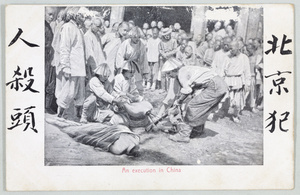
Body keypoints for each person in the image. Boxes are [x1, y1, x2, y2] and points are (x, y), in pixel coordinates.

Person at [161, 63, 228, 143]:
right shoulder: (185, 69)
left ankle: (183, 135)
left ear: (174, 70)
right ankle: (197, 129)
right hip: (218, 84)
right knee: (201, 107)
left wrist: (178, 102)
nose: (169, 76)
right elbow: (190, 90)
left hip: (215, 85)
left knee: (192, 106)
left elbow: (187, 91)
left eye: (169, 73)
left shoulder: (181, 73)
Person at [56, 7, 87, 118]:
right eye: (81, 16)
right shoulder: (68, 27)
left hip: (79, 67)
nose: (84, 19)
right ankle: (60, 114)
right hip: (72, 67)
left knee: (79, 94)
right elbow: (64, 48)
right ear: (74, 15)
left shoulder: (78, 29)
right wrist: (66, 66)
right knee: (68, 92)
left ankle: (76, 117)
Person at [115, 27, 149, 95]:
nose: (137, 39)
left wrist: (144, 71)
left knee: (137, 83)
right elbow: (120, 55)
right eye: (135, 37)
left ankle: (138, 97)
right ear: (131, 36)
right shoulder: (126, 43)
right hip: (125, 66)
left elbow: (144, 58)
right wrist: (120, 67)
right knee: (125, 82)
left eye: (139, 37)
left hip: (135, 65)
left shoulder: (141, 45)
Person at [224, 41, 251, 123]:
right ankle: (222, 111)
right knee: (224, 99)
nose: (230, 50)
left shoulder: (244, 57)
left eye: (232, 48)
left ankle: (235, 115)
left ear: (237, 48)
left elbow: (247, 71)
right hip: (228, 79)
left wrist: (247, 82)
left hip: (238, 80)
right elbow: (223, 69)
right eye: (229, 48)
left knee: (238, 102)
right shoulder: (227, 56)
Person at [84, 17, 106, 81]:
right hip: (92, 66)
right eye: (96, 25)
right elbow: (89, 52)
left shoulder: (97, 35)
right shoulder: (87, 36)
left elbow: (100, 51)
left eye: (99, 26)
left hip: (99, 65)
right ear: (92, 24)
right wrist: (94, 68)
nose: (97, 28)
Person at [45, 7, 56, 114]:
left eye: (53, 15)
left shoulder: (48, 26)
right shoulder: (42, 26)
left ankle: (47, 106)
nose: (52, 17)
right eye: (50, 14)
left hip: (48, 58)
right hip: (43, 58)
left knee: (49, 82)